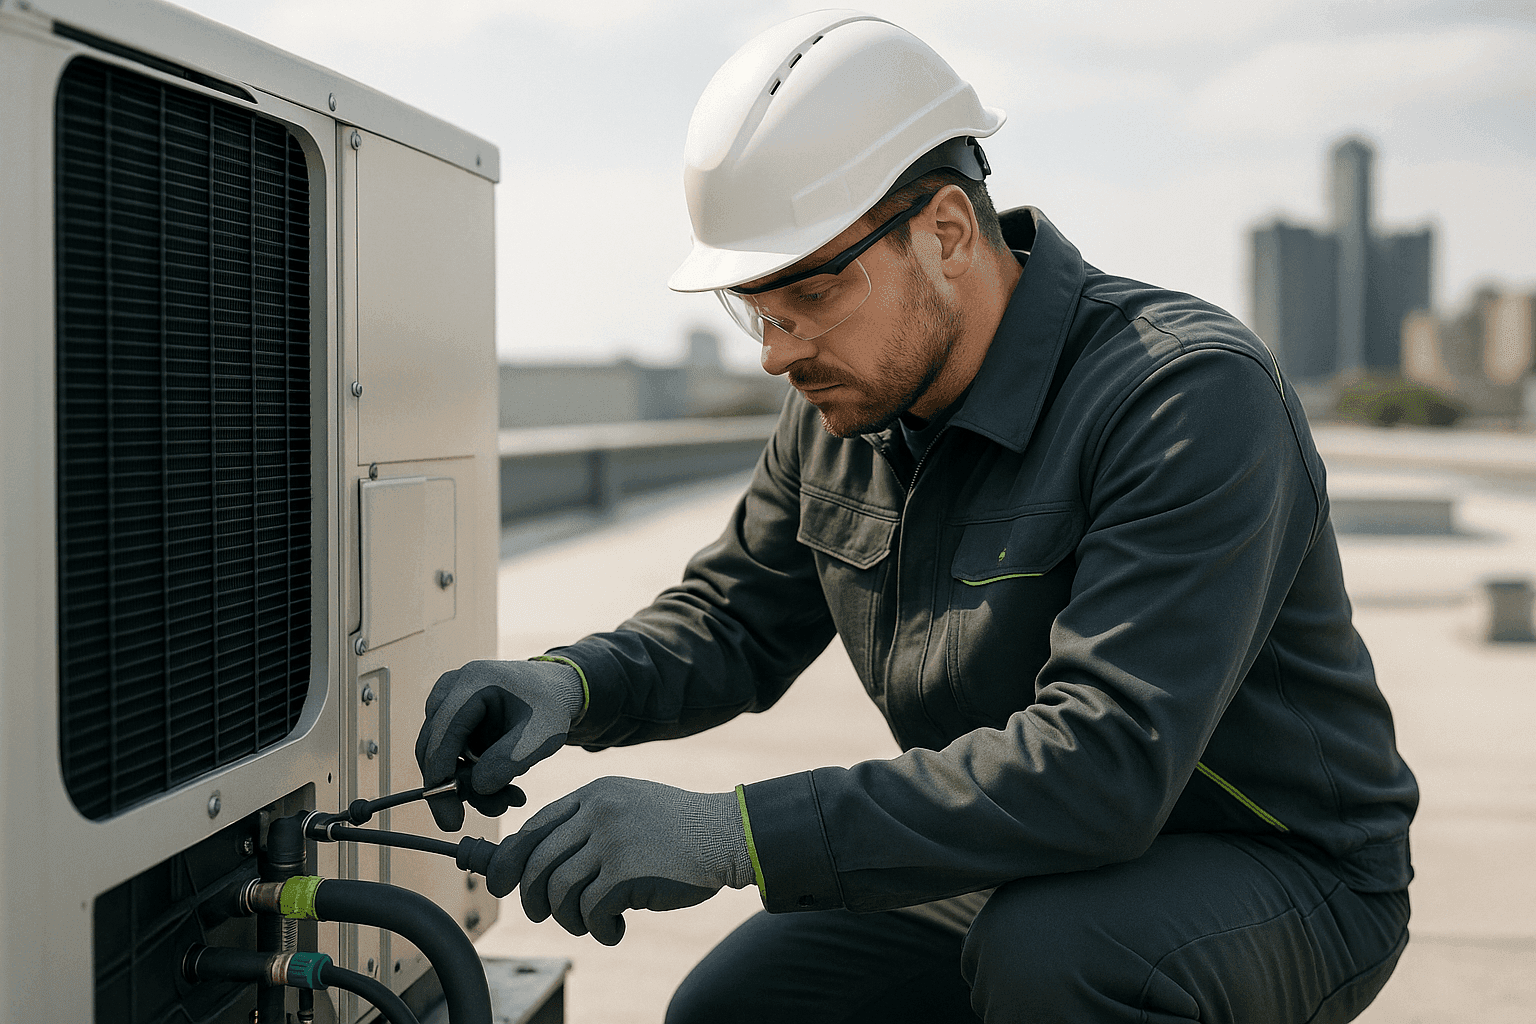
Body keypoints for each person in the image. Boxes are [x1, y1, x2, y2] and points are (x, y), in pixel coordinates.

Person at [415, 11, 1418, 1023]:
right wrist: (568, 682)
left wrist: (735, 833)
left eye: (808, 292)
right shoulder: (846, 403)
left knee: (1064, 958)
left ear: (944, 233)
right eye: (756, 309)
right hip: (1006, 844)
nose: (777, 350)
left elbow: (1106, 763)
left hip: (1271, 862)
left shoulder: (1182, 394)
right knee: (738, 1008)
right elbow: (730, 620)